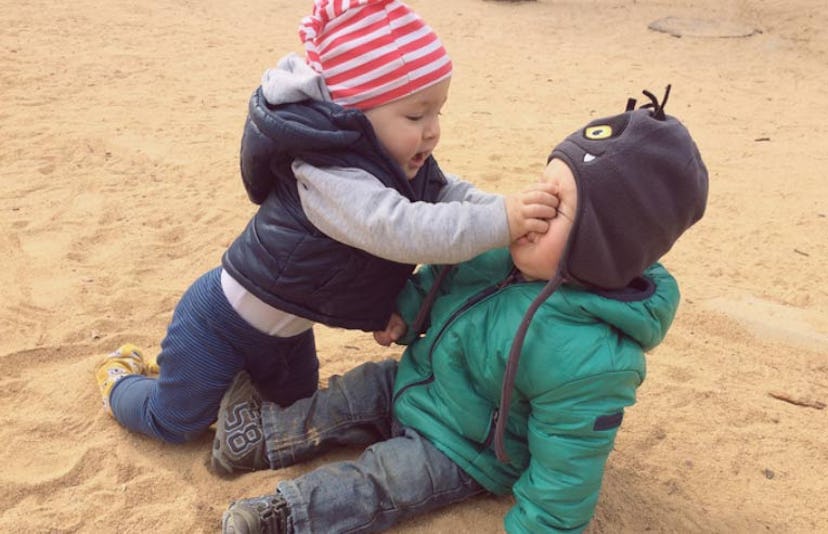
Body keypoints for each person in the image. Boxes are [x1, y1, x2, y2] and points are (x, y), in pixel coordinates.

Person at [213, 86, 710, 533]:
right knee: (356, 391)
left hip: (462, 450)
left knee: (384, 479)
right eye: (541, 186)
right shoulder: (505, 247)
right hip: (421, 384)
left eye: (556, 208)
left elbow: (569, 469)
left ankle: (288, 514)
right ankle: (258, 437)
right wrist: (406, 311)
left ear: (604, 246)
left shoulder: (591, 356)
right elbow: (443, 278)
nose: (533, 208)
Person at [93, 0, 558, 444]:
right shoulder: (326, 175)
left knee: (294, 412)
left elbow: (446, 193)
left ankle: (197, 377)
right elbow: (402, 229)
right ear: (353, 115)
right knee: (175, 422)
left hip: (290, 337)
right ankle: (120, 379)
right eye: (416, 114)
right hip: (220, 322)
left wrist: (510, 210)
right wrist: (502, 220)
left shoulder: (397, 160)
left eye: (438, 111)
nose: (433, 129)